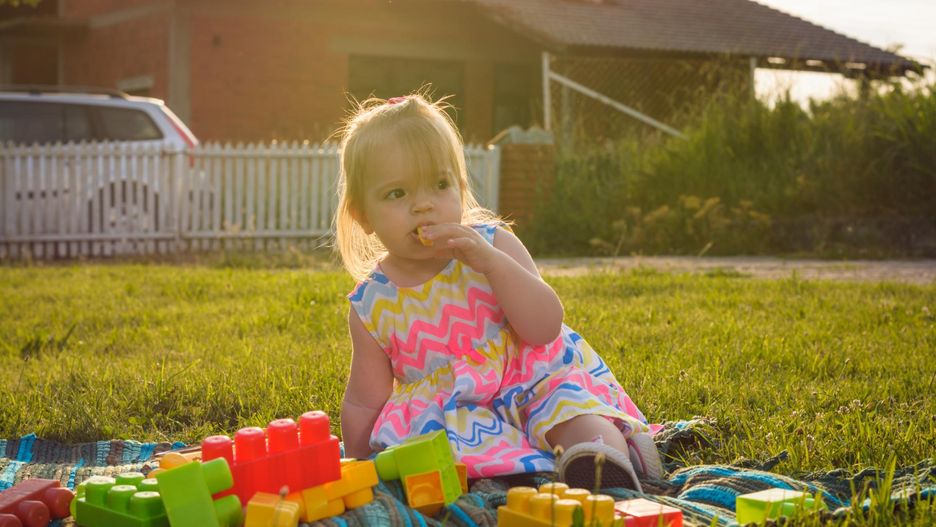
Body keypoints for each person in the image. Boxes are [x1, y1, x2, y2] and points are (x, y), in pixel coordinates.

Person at [335, 92, 662, 490]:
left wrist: (490, 263)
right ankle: (521, 476)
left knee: (567, 411)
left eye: (440, 185)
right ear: (362, 215)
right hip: (458, 411)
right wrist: (356, 464)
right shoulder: (373, 302)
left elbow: (544, 327)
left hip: (532, 381)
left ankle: (605, 458)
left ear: (460, 186)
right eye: (397, 194)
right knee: (441, 450)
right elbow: (365, 400)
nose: (424, 206)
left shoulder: (494, 246)